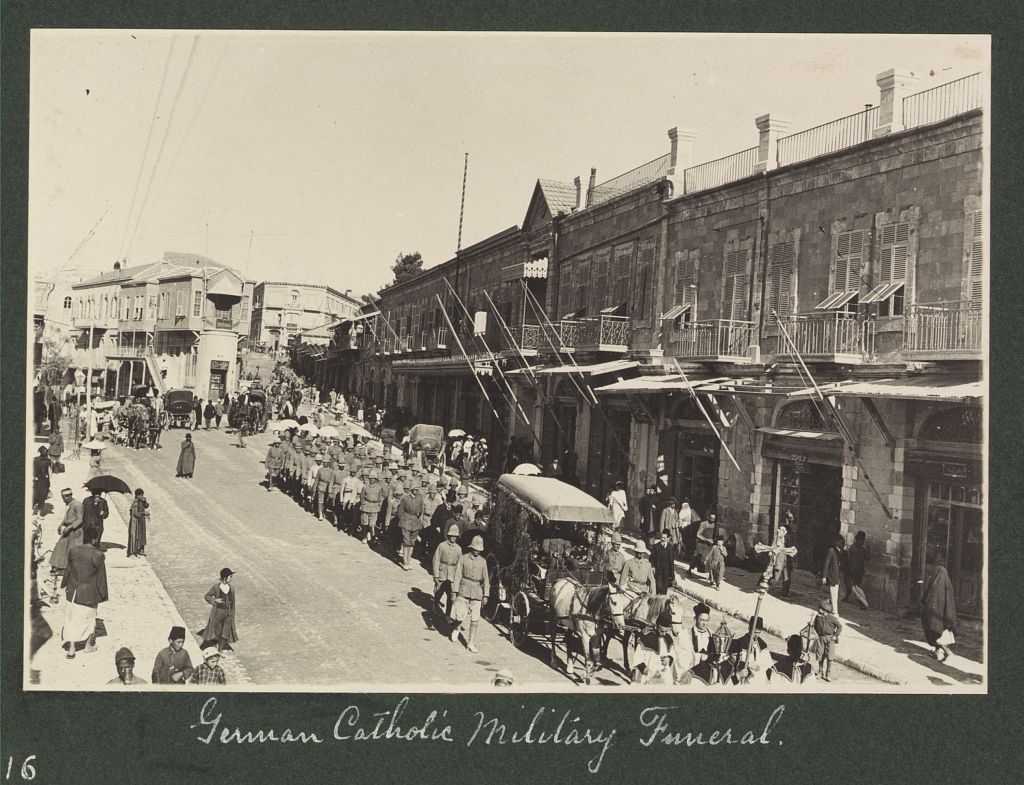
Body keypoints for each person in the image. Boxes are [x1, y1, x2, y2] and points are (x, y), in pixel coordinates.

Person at [60, 528, 108, 658]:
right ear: (95, 539)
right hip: (89, 593)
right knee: (89, 620)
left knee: (71, 620)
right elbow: (101, 577)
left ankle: (71, 649)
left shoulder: (73, 551)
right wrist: (103, 594)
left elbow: (68, 571)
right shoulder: (98, 555)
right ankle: (88, 646)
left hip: (73, 591)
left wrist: (63, 584)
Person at [450, 535, 489, 653]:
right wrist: (454, 591)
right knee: (460, 615)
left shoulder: (483, 562)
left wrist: (486, 595)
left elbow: (486, 579)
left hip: (477, 593)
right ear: (471, 548)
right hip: (464, 590)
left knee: (475, 619)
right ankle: (457, 628)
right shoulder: (463, 558)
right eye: (475, 549)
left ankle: (471, 642)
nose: (477, 551)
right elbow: (457, 576)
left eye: (479, 550)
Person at [920, 563, 957, 662]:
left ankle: (948, 653)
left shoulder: (934, 587)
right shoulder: (947, 587)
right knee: (939, 637)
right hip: (944, 620)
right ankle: (938, 653)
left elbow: (925, 600)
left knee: (938, 638)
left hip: (937, 619)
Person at [199, 568, 238, 653]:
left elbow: (233, 602)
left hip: (228, 613)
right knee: (217, 632)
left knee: (226, 632)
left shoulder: (231, 588)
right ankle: (214, 646)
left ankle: (220, 650)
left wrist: (231, 613)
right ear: (225, 578)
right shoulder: (216, 587)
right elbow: (207, 596)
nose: (231, 578)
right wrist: (215, 600)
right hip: (218, 613)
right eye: (230, 577)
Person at [433, 523, 463, 618]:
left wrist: (458, 578)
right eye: (451, 536)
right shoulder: (442, 546)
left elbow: (460, 564)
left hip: (452, 575)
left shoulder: (458, 549)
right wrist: (436, 575)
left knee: (451, 596)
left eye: (455, 536)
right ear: (448, 535)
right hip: (442, 573)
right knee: (438, 592)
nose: (453, 538)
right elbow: (436, 560)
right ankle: (435, 605)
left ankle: (447, 615)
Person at [688, 602, 720, 685]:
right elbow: (683, 656)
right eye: (701, 620)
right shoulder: (687, 634)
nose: (704, 623)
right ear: (695, 619)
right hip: (692, 671)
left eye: (706, 620)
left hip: (708, 671)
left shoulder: (712, 634)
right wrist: (699, 657)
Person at [813, 598, 843, 681]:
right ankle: (820, 672)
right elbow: (815, 626)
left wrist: (835, 636)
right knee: (820, 655)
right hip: (821, 638)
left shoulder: (832, 618)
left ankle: (828, 673)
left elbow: (839, 626)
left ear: (825, 610)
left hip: (830, 639)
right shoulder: (817, 617)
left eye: (821, 608)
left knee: (830, 657)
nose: (818, 609)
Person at [397, 483, 425, 571]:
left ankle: (409, 562)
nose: (416, 491)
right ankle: (405, 562)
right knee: (406, 541)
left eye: (417, 489)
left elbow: (421, 511)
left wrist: (419, 519)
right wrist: (403, 519)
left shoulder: (420, 499)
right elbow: (400, 511)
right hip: (406, 520)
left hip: (415, 522)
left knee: (412, 541)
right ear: (411, 490)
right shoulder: (405, 498)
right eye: (414, 489)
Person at [844, 530, 871, 608]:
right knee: (852, 587)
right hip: (852, 571)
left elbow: (868, 558)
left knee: (857, 587)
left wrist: (868, 550)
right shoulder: (852, 548)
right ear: (857, 539)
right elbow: (847, 559)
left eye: (863, 540)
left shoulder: (862, 549)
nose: (862, 542)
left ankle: (858, 601)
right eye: (861, 540)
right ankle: (849, 598)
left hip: (859, 571)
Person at [822, 535, 846, 619]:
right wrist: (824, 576)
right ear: (836, 543)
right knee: (834, 594)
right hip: (833, 576)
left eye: (843, 542)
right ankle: (835, 611)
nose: (843, 544)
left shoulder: (842, 552)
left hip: (839, 576)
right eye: (841, 542)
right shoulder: (831, 551)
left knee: (843, 593)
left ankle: (830, 604)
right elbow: (827, 563)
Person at [649, 530, 678, 595]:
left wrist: (673, 576)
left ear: (668, 538)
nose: (662, 539)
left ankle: (662, 601)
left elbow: (672, 562)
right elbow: (651, 558)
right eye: (661, 537)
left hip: (667, 572)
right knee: (658, 586)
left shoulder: (671, 547)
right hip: (658, 570)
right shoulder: (656, 546)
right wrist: (653, 566)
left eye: (664, 538)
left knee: (665, 588)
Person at [358, 471, 384, 544]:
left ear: (376, 479)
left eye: (373, 478)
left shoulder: (379, 487)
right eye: (370, 478)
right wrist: (363, 504)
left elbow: (380, 497)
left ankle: (373, 538)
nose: (372, 480)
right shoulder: (365, 487)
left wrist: (379, 505)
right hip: (366, 505)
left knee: (372, 524)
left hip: (374, 506)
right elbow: (362, 496)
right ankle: (364, 537)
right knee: (364, 522)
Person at [127, 488, 149, 557]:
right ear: (137, 495)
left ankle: (141, 549)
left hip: (142, 520)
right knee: (137, 535)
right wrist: (143, 513)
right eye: (140, 495)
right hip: (137, 521)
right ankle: (136, 549)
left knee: (142, 535)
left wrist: (145, 501)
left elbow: (147, 506)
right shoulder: (135, 502)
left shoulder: (142, 501)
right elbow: (135, 513)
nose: (142, 496)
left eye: (142, 495)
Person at [32, 446, 51, 515]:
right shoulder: (35, 460)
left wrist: (48, 479)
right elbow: (33, 469)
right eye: (45, 453)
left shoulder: (48, 460)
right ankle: (32, 509)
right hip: (37, 480)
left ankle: (39, 513)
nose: (46, 455)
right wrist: (34, 476)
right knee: (35, 496)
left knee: (42, 496)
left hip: (44, 481)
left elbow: (49, 471)